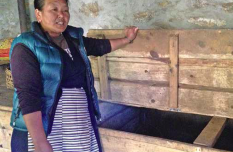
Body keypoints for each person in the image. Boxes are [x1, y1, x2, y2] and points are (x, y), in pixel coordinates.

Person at [9, 0, 138, 151]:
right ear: (39, 14)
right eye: (54, 10)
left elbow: (100, 46)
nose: (61, 15)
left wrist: (127, 39)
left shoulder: (73, 39)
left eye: (65, 10)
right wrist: (40, 143)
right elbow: (28, 95)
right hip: (44, 128)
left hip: (76, 124)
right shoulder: (25, 45)